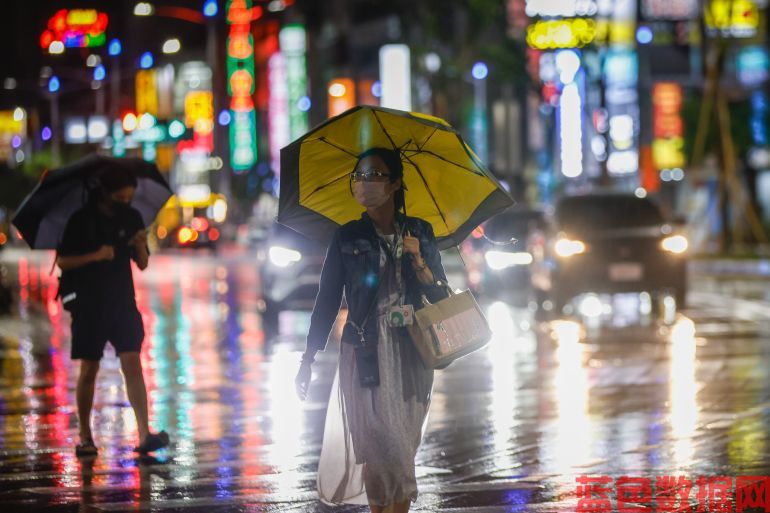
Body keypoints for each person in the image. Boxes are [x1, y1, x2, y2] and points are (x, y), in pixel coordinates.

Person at [295, 147, 450, 513]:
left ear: (395, 183)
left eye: (375, 175)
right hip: (364, 350)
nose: (365, 184)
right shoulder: (347, 237)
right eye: (359, 176)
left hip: (410, 350)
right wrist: (308, 356)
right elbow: (327, 299)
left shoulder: (420, 232)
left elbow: (440, 293)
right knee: (377, 446)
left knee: (399, 448)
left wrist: (419, 261)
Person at [56, 166, 169, 457]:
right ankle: (85, 436)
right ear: (105, 193)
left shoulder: (131, 218)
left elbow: (142, 264)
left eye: (129, 198)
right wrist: (97, 255)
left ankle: (144, 433)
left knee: (132, 363)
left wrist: (141, 246)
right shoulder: (81, 220)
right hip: (89, 306)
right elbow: (64, 262)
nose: (125, 202)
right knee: (89, 369)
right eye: (120, 197)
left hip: (122, 303)